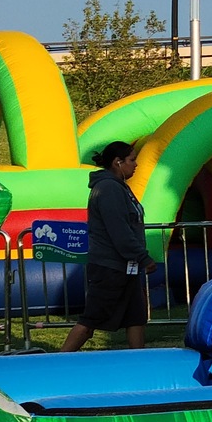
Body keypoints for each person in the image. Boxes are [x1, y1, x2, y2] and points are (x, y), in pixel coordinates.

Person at [61, 141, 151, 350]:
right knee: (90, 321)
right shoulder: (109, 189)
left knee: (136, 317)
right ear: (117, 162)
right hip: (111, 266)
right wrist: (142, 257)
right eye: (132, 160)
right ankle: (57, 361)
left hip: (125, 266)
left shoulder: (119, 187)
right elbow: (119, 230)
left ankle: (141, 362)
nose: (136, 165)